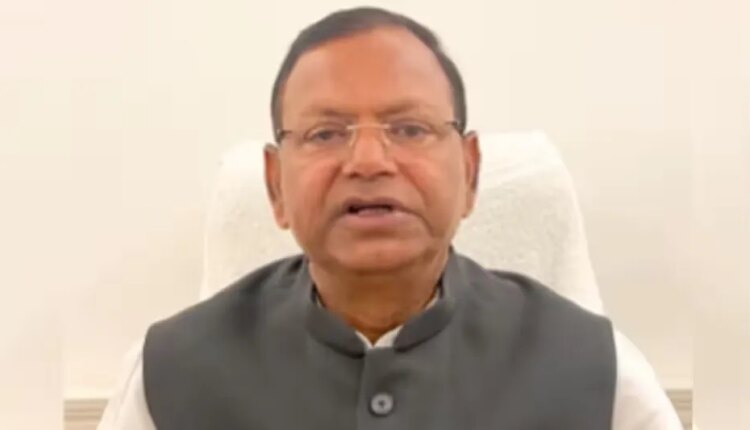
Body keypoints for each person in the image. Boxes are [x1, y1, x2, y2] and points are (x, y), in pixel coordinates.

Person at [98, 7, 682, 430]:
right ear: (275, 185)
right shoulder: (168, 377)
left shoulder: (596, 371)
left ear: (470, 173)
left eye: (409, 129)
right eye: (326, 133)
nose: (369, 160)